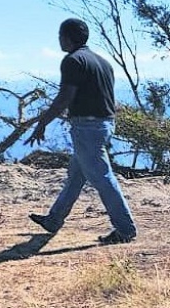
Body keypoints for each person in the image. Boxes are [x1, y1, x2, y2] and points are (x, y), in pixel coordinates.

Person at [24, 18, 138, 244]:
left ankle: (125, 230)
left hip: (87, 128)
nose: (59, 40)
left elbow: (65, 98)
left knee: (103, 178)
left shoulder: (72, 61)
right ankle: (54, 219)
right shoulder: (103, 62)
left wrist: (43, 122)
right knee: (76, 176)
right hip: (104, 124)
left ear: (67, 38)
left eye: (60, 36)